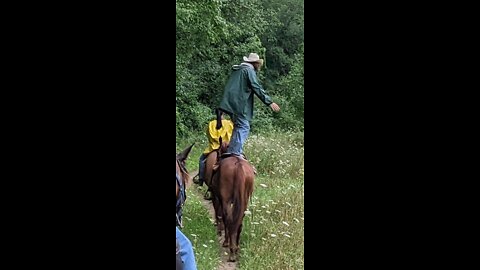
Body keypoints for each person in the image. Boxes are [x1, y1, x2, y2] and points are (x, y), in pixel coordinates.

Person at [217, 53, 280, 158]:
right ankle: (235, 152)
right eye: (258, 64)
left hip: (229, 104)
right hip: (239, 105)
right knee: (244, 126)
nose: (259, 66)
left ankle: (231, 150)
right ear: (254, 63)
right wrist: (269, 102)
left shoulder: (237, 71)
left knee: (237, 127)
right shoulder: (249, 71)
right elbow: (256, 87)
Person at [194, 113, 234, 187]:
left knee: (202, 160)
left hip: (214, 148)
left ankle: (200, 178)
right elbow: (232, 135)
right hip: (227, 148)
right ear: (224, 114)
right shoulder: (229, 123)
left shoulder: (211, 124)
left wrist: (214, 143)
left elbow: (209, 136)